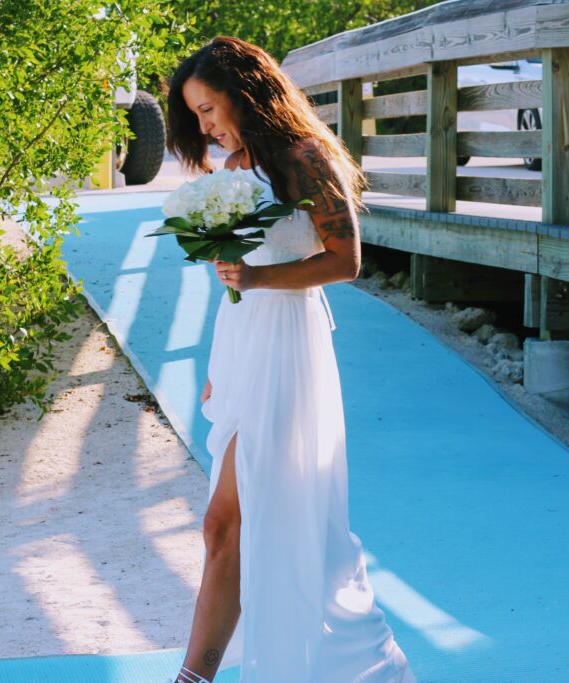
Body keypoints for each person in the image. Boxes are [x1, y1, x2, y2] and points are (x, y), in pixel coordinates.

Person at [164, 36, 417, 683]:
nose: (206, 126)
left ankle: (199, 676)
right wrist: (222, 369)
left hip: (292, 354)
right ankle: (199, 675)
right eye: (196, 115)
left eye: (210, 109)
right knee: (232, 521)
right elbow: (230, 284)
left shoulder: (304, 158)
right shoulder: (231, 170)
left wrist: (256, 279)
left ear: (244, 95)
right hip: (248, 353)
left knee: (258, 521)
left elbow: (347, 259)